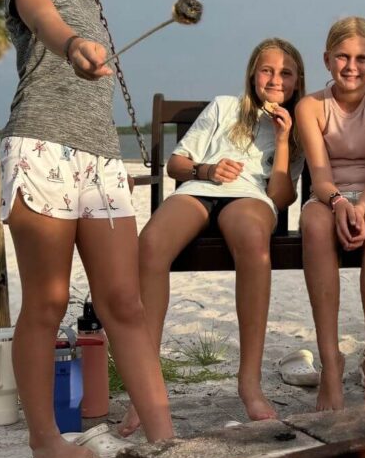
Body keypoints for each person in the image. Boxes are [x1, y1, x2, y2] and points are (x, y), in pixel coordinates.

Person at [0, 0, 173, 458]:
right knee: (46, 303)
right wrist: (72, 43)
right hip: (41, 147)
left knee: (124, 301)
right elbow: (44, 23)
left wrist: (87, 37)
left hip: (101, 159)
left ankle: (166, 439)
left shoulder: (89, 0)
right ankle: (45, 441)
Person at [116, 39, 306, 434]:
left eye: (285, 72)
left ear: (297, 80)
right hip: (200, 190)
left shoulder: (299, 126)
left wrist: (285, 141)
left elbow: (280, 195)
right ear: (253, 73)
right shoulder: (224, 107)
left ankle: (249, 383)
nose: (275, 79)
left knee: (255, 244)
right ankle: (145, 389)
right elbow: (175, 165)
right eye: (267, 70)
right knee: (150, 244)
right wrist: (207, 170)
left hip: (251, 198)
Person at [295, 17, 365, 411]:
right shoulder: (311, 106)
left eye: (362, 58)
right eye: (342, 56)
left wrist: (359, 206)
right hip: (329, 196)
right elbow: (320, 175)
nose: (351, 66)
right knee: (313, 223)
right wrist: (340, 203)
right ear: (327, 60)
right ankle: (330, 363)